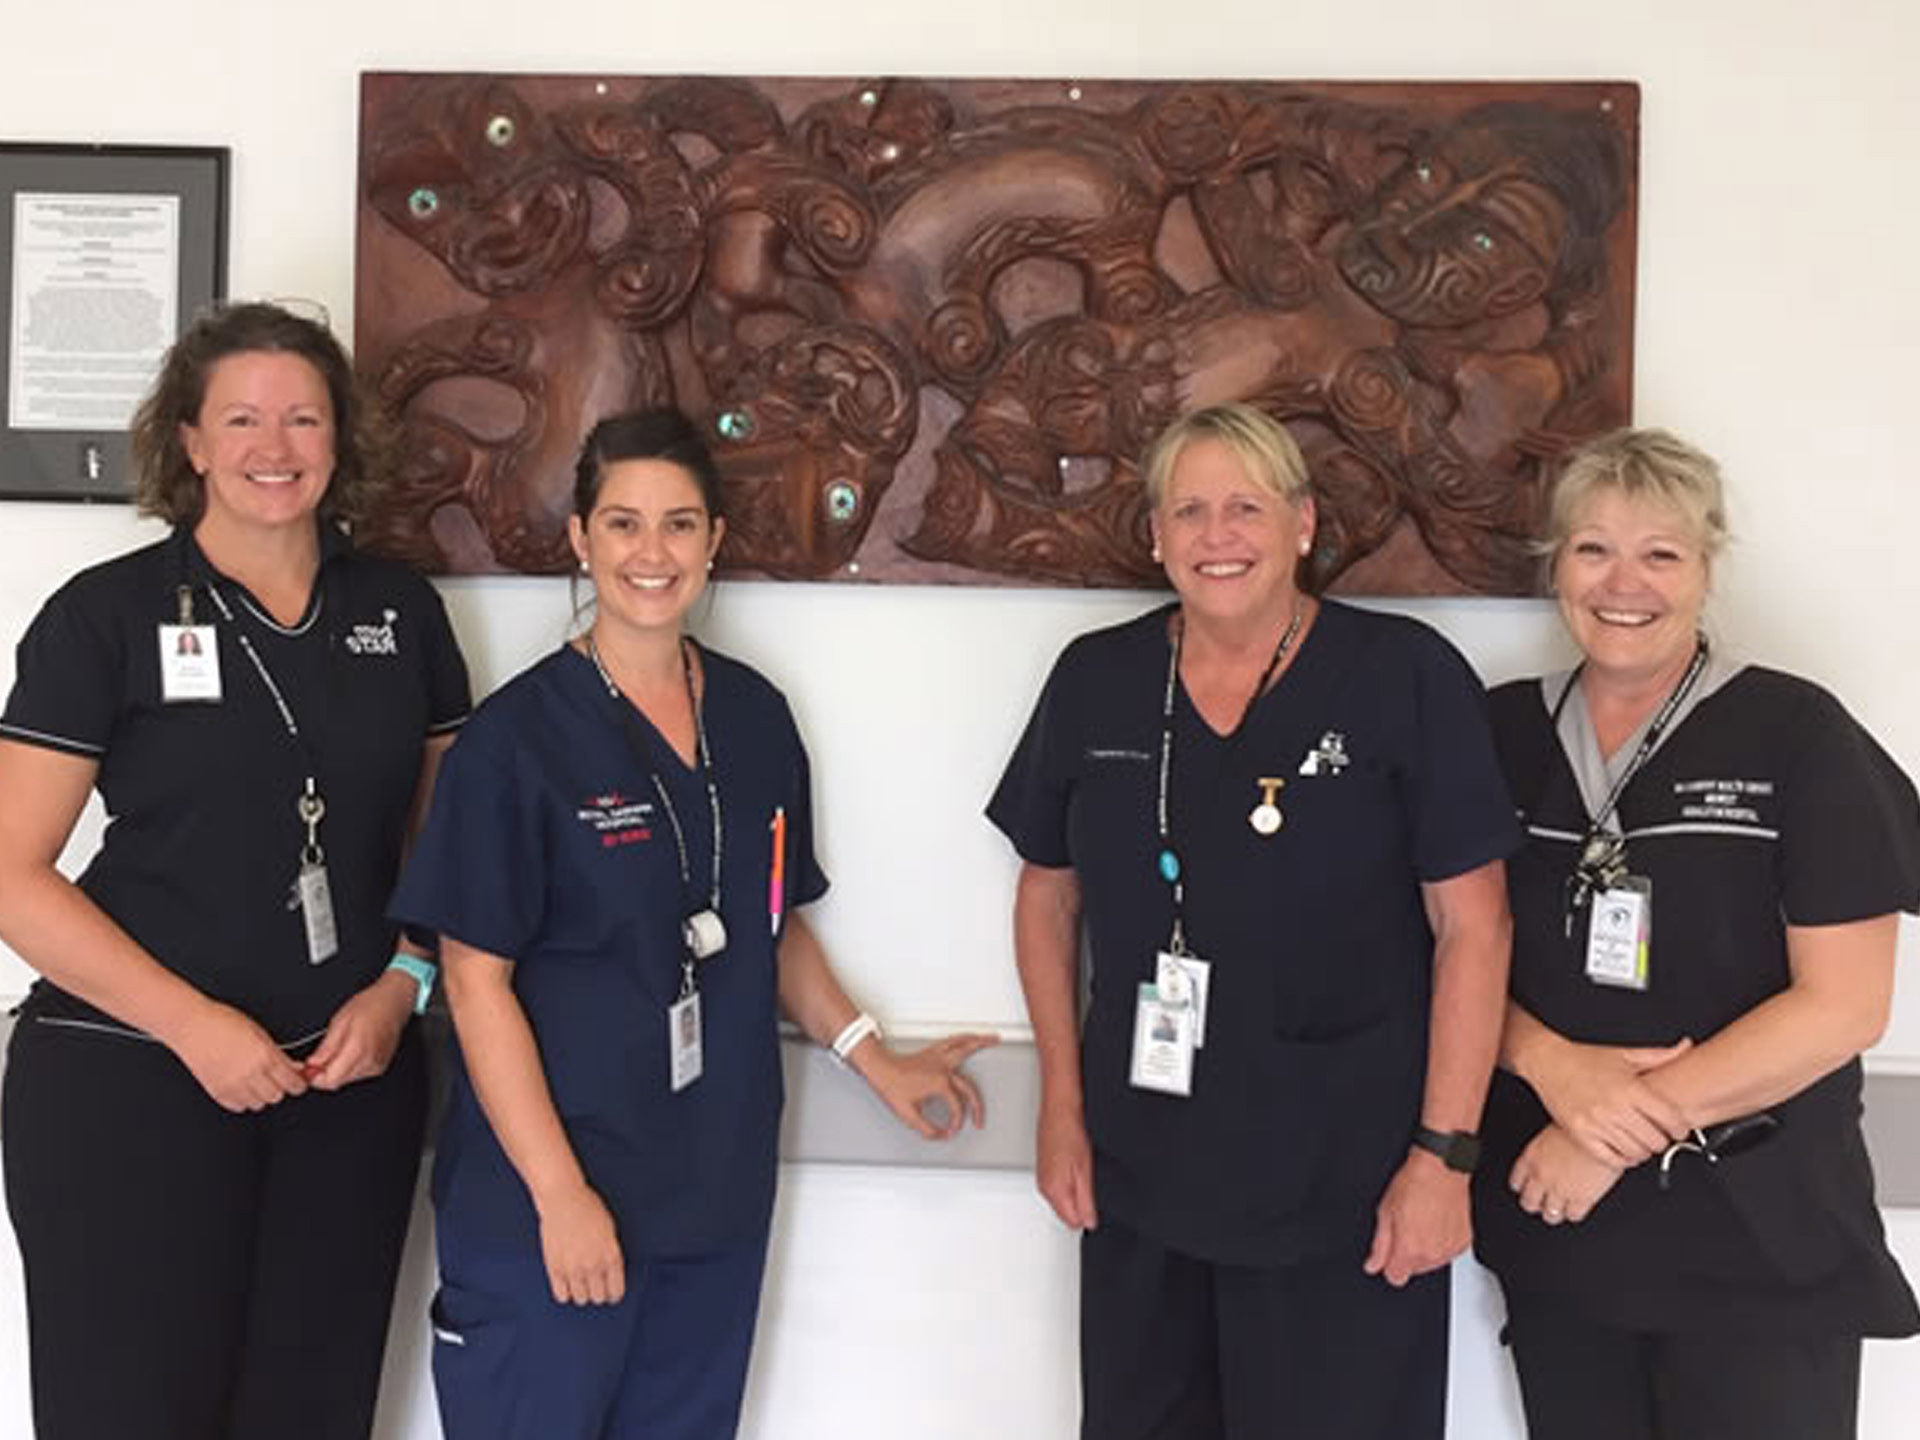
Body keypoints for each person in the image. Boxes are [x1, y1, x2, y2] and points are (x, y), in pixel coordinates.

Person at [390, 406, 996, 1440]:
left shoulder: (755, 719)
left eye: (678, 524)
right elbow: (475, 979)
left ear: (715, 541)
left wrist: (874, 1060)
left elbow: (770, 924)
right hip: (554, 1201)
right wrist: (560, 1195)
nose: (651, 553)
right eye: (622, 524)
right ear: (580, 539)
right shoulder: (515, 744)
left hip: (710, 1192)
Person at [988, 402, 1519, 1440]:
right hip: (1145, 1173)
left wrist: (1443, 1160)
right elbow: (1046, 894)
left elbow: (1476, 931)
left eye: (1245, 507)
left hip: (1349, 1190)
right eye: (1189, 510)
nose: (1216, 535)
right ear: (1154, 536)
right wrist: (1060, 1102)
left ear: (1304, 524)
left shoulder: (1402, 677)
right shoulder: (1097, 682)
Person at [0, 301, 471, 1439]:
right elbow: (12, 873)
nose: (277, 447)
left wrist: (403, 983)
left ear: (341, 440)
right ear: (191, 443)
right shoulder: (104, 619)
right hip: (129, 1088)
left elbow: (454, 854)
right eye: (244, 419)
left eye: (305, 418)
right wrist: (191, 1025)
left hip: (343, 1092)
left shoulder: (400, 614)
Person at [1474, 427, 1920, 1439]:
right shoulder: (1496, 736)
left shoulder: (1797, 734)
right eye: (1592, 548)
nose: (1622, 582)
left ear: (1706, 569)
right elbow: (1443, 956)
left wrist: (1619, 1127)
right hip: (1563, 1223)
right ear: (1557, 567)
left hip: (1757, 1233)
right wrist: (1553, 1069)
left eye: (1660, 553)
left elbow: (1846, 1005)